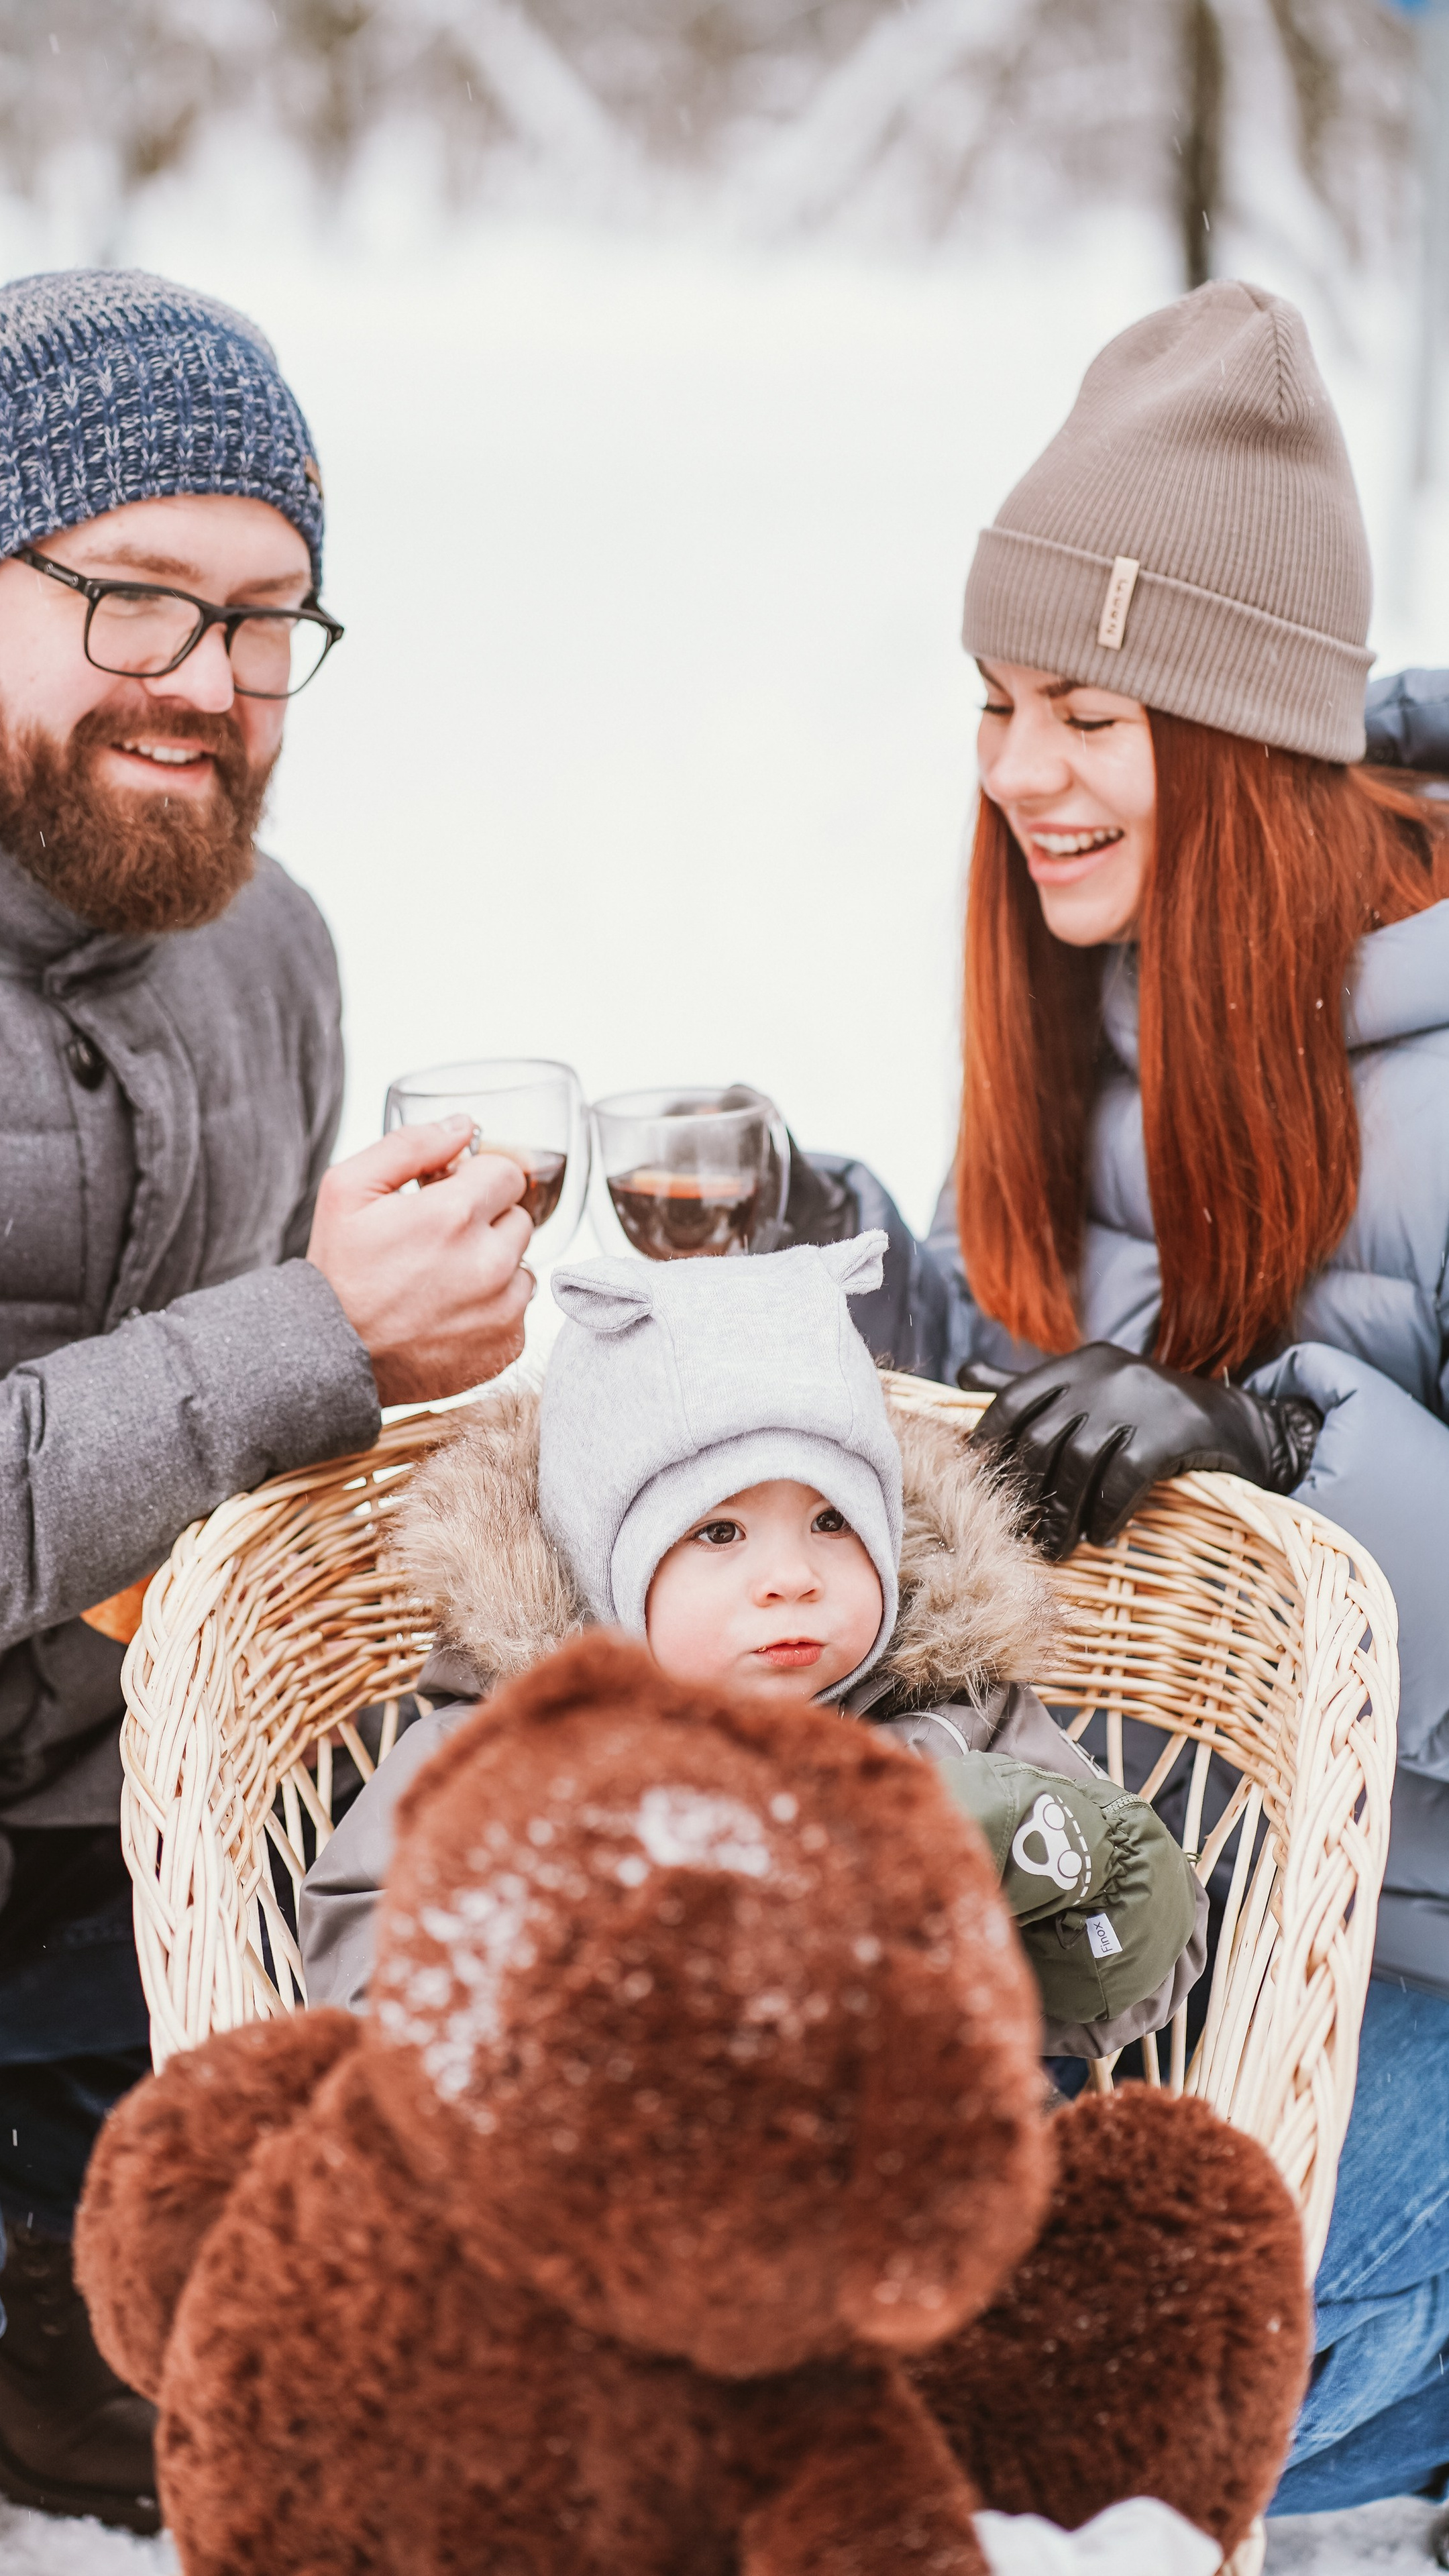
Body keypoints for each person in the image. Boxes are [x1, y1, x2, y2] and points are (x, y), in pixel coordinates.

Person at [0, 269, 533, 2538]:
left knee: (510, 2125)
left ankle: (50, 2237)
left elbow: (235, 1496)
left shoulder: (270, 953)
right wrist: (309, 1334)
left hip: (109, 1845)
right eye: (136, 598)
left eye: (267, 617)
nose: (209, 679)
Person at [801, 278, 1449, 2516]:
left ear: (1244, 736)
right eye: (998, 707)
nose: (1016, 775)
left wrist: (1288, 1457)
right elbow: (1026, 1418)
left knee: (1073, 2395)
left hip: (1411, 1975)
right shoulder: (1099, 1002)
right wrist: (850, 1258)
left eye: (1083, 712)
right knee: (793, 2300)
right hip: (1128, 1917)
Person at [299, 1232, 1203, 2061]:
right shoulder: (497, 1757)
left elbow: (1132, 1969)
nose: (792, 1577)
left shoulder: (960, 1722)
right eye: (719, 1533)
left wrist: (1023, 1839)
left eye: (831, 1521)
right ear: (609, 1572)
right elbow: (369, 1957)